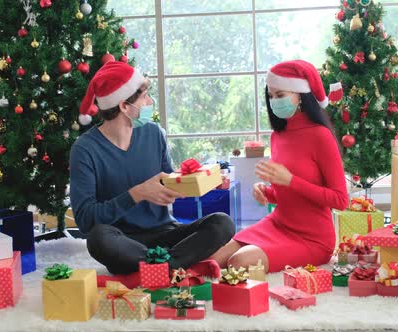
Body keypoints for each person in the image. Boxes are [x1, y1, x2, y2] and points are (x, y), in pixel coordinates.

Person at [70, 61, 235, 278]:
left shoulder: (154, 133)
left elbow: (169, 184)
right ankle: (174, 265)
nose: (150, 102)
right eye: (145, 97)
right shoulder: (85, 148)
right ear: (124, 106)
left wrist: (201, 179)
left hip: (165, 233)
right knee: (98, 238)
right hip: (123, 242)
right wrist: (136, 194)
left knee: (222, 222)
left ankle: (161, 267)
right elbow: (85, 220)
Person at [210, 60, 348, 272]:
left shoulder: (321, 136)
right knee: (214, 258)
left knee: (238, 262)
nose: (274, 101)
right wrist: (268, 192)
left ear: (300, 95)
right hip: (278, 223)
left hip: (313, 239)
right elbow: (287, 194)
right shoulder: (277, 136)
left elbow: (340, 200)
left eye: (280, 95)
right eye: (271, 96)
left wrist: (291, 181)